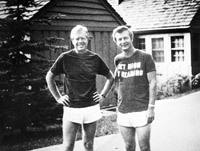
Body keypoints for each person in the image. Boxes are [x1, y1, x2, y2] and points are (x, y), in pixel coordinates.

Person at [46, 25, 114, 151]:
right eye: (76, 39)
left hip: (91, 107)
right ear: (72, 40)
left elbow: (111, 77)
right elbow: (49, 76)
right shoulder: (65, 57)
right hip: (72, 107)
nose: (80, 42)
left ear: (88, 39)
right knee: (68, 146)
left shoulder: (95, 58)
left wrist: (103, 95)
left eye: (82, 38)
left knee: (88, 145)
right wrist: (58, 97)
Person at [112, 25, 157, 151]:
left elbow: (152, 83)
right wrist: (118, 102)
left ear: (131, 38)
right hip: (123, 110)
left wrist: (151, 108)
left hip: (142, 110)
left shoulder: (145, 57)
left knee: (144, 147)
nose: (123, 41)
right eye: (119, 39)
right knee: (129, 146)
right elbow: (118, 82)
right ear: (116, 42)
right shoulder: (118, 59)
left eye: (125, 38)